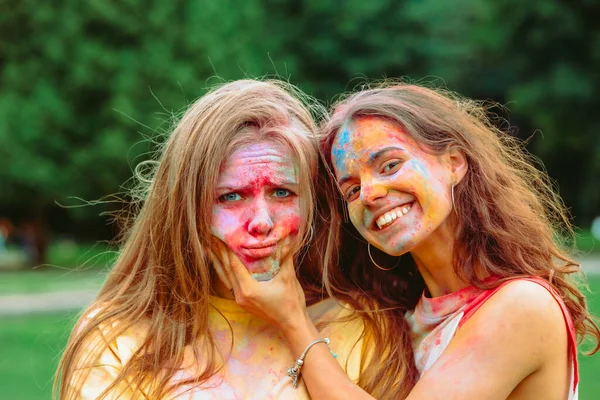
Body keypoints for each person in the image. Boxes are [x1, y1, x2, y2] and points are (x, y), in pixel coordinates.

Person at [220, 82, 600, 399]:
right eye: (351, 189)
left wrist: (292, 320)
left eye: (389, 165)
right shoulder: (403, 311)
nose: (369, 193)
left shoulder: (522, 306)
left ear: (454, 163)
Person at [55, 80, 411, 399]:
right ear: (185, 209)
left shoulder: (364, 327)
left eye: (282, 192)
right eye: (231, 196)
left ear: (313, 203)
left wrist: (294, 323)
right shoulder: (121, 337)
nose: (261, 221)